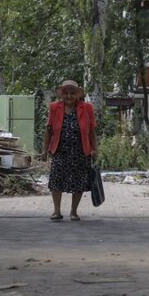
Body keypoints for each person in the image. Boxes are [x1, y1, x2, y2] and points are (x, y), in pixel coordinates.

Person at [42, 79, 97, 221]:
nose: (69, 96)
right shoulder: (55, 107)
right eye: (66, 93)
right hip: (60, 150)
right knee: (56, 180)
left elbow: (92, 131)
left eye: (72, 93)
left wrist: (94, 149)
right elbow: (48, 130)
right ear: (62, 95)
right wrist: (44, 150)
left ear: (77, 94)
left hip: (80, 151)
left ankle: (74, 211)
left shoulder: (87, 108)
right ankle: (56, 211)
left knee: (78, 181)